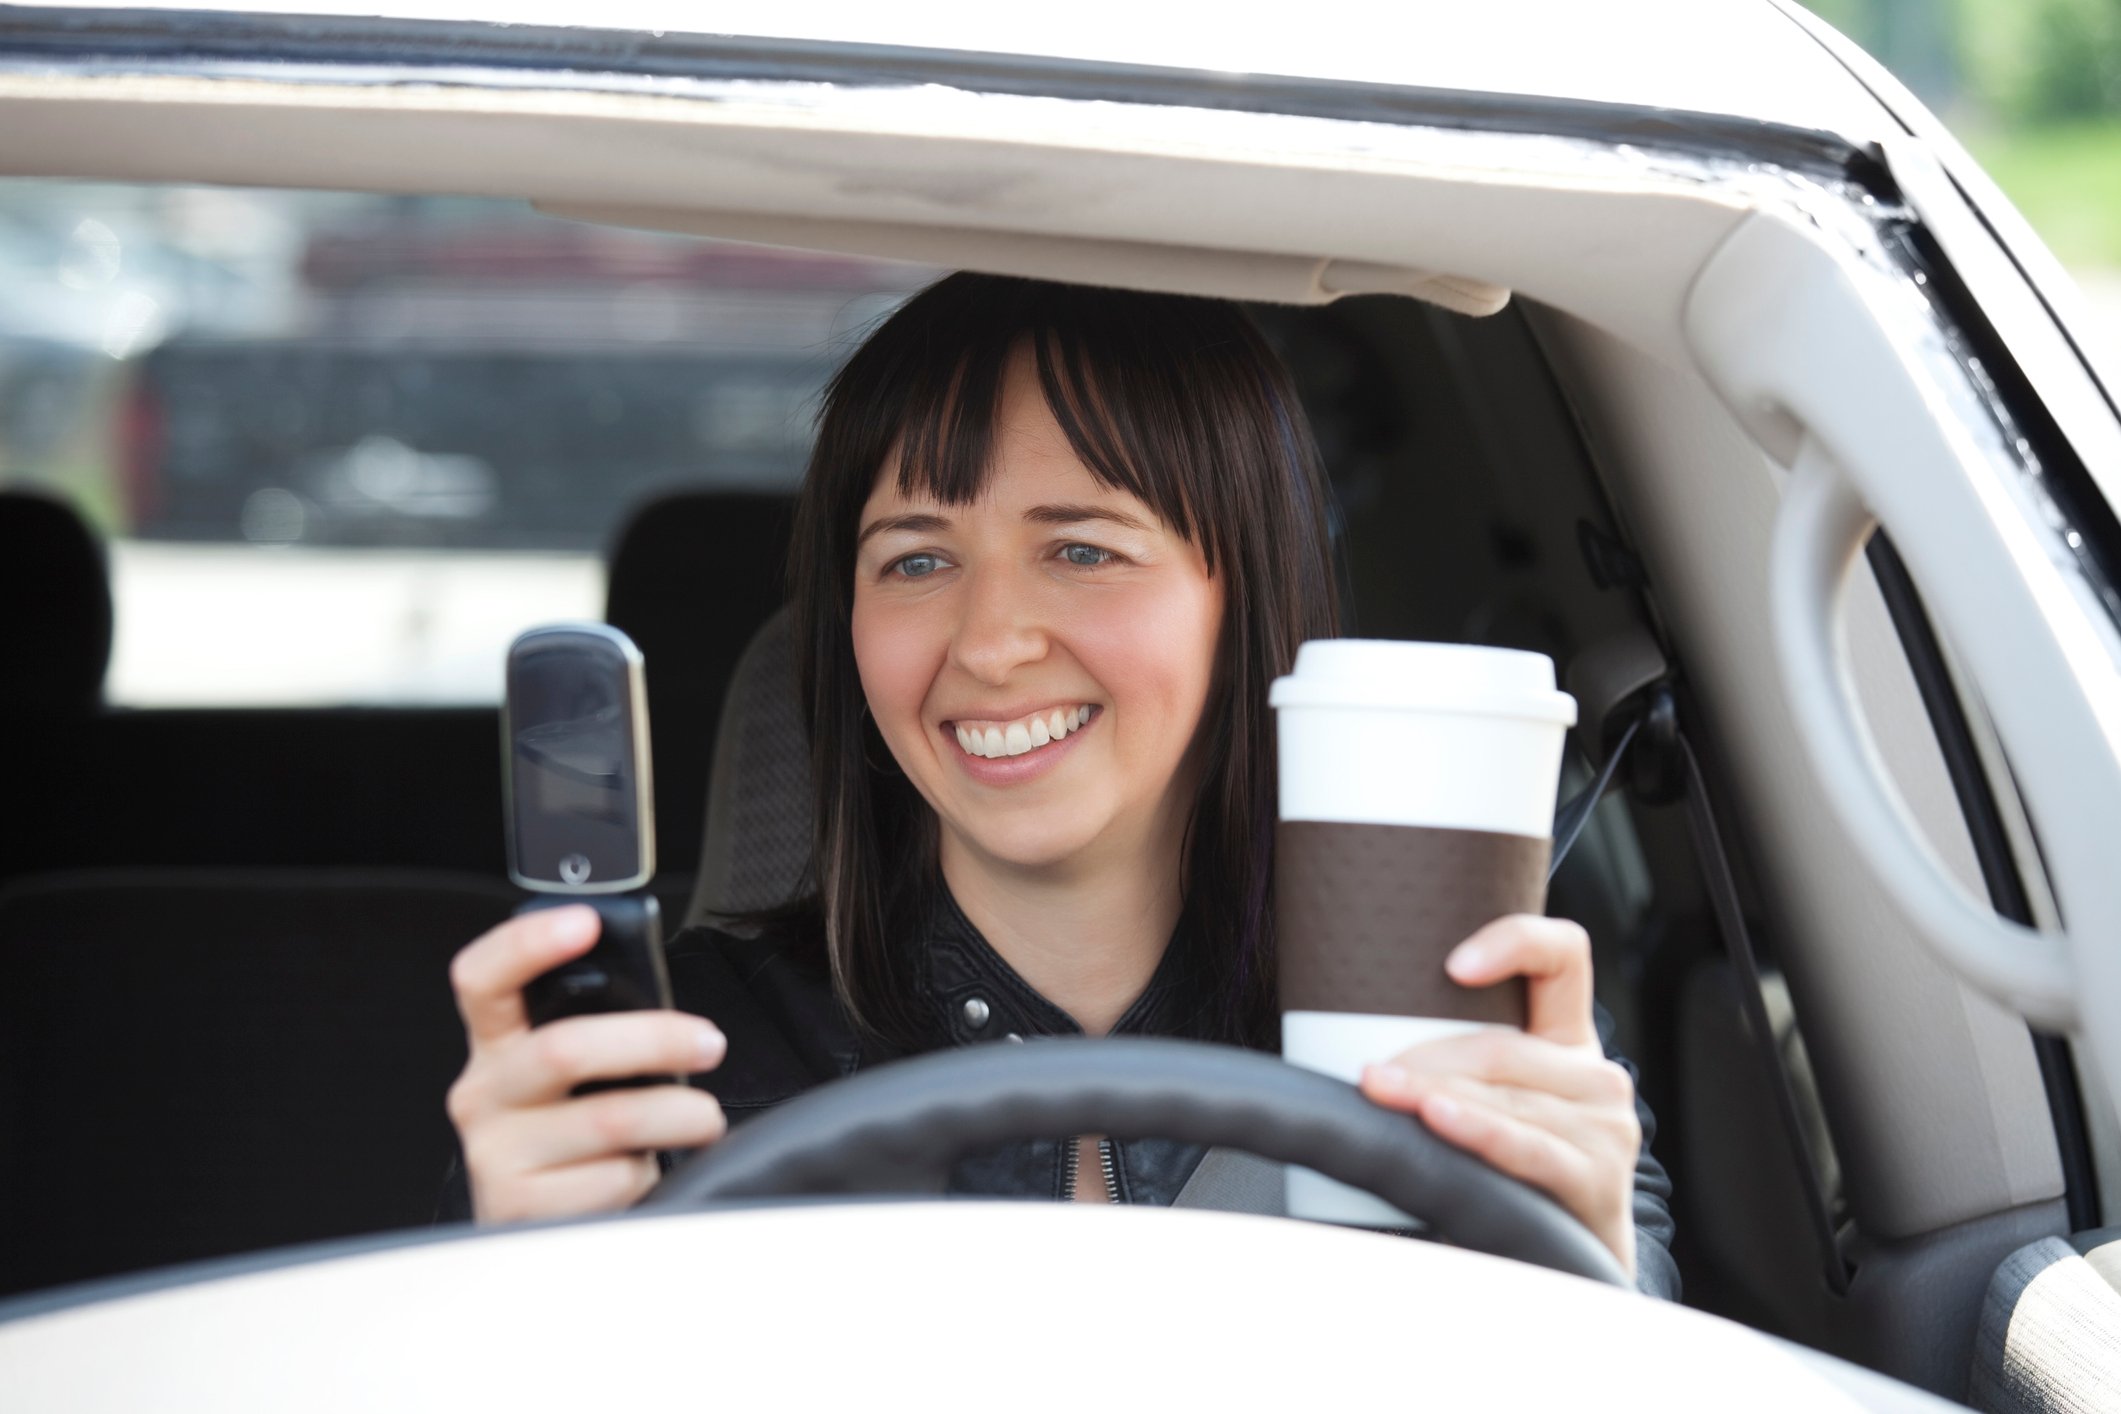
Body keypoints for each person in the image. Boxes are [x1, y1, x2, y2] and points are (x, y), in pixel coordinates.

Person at [442, 272, 1678, 1295]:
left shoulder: (1463, 1049)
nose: (989, 642)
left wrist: (1592, 1298)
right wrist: (518, 1286)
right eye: (915, 560)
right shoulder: (670, 1068)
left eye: (1082, 549)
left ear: (1243, 602)